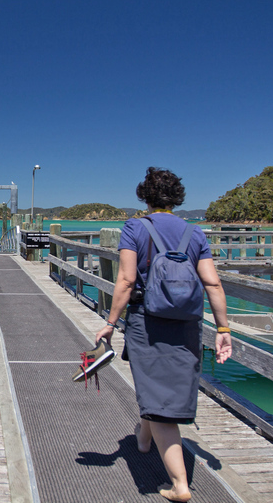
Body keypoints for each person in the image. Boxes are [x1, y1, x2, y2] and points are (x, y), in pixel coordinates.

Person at [95, 167, 231, 503]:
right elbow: (212, 283)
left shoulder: (135, 228)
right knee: (156, 387)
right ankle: (143, 441)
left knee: (160, 403)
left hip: (148, 322)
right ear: (177, 198)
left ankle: (179, 484)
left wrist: (111, 323)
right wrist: (224, 329)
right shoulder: (194, 233)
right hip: (187, 324)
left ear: (145, 195)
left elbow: (126, 281)